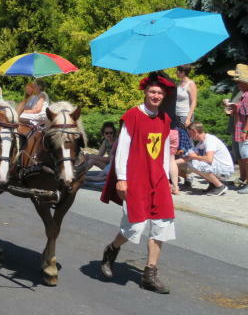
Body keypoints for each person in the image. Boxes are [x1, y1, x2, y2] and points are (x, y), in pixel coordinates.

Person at [99, 73, 176, 294]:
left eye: (160, 93)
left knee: (162, 223)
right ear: (145, 92)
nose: (156, 95)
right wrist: (122, 178)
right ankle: (111, 250)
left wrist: (167, 179)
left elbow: (162, 152)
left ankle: (150, 274)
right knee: (135, 225)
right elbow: (122, 149)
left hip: (157, 178)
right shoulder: (133, 116)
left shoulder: (164, 119)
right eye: (152, 91)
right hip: (136, 177)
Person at [178, 123, 235, 195]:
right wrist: (174, 163)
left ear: (194, 132)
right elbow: (189, 158)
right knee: (191, 164)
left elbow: (209, 159)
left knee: (196, 164)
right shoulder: (200, 144)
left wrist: (194, 157)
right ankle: (213, 184)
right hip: (218, 167)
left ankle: (220, 186)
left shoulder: (210, 140)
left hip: (225, 170)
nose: (189, 136)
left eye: (190, 133)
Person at [225, 64, 248, 193]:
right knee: (243, 156)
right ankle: (244, 179)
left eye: (239, 80)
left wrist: (245, 131)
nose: (237, 82)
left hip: (243, 130)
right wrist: (234, 108)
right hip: (239, 128)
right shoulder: (244, 94)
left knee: (246, 157)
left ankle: (246, 181)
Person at [174, 64, 197, 154]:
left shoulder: (190, 84)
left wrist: (188, 118)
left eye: (178, 71)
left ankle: (191, 159)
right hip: (177, 114)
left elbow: (194, 102)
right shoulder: (179, 84)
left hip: (185, 114)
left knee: (188, 137)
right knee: (180, 137)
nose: (176, 73)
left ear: (183, 72)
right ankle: (182, 160)